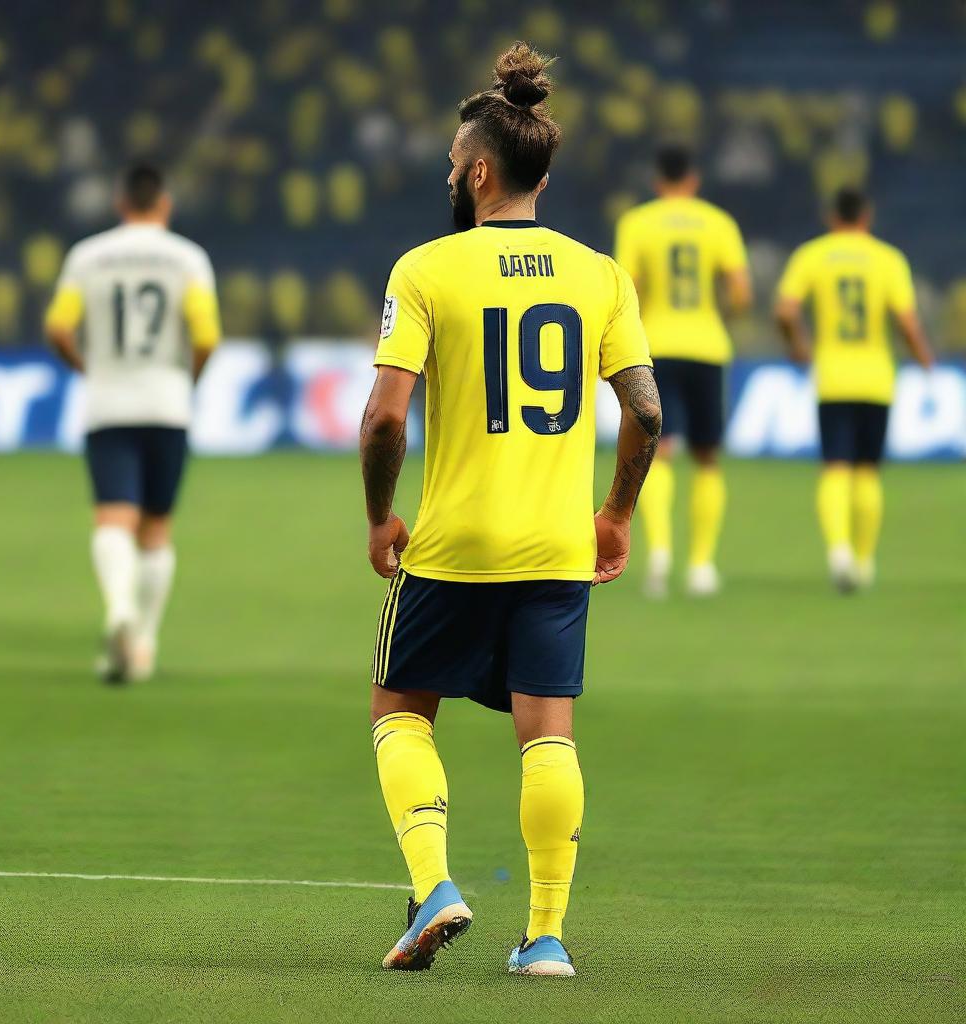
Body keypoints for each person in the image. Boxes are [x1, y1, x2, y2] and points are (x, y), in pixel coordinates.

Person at [359, 42, 661, 977]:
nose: (452, 173)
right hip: (557, 545)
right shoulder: (601, 275)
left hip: (453, 544)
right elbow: (647, 411)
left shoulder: (426, 270)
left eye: (456, 162)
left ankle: (435, 884)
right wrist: (614, 513)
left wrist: (380, 515)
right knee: (549, 733)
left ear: (482, 171)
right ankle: (545, 938)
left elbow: (382, 418)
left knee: (399, 708)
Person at [44, 163, 221, 681]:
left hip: (108, 404)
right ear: (163, 204)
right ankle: (142, 642)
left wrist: (87, 366)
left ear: (121, 204)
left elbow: (59, 326)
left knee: (112, 518)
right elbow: (206, 335)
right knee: (156, 529)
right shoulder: (188, 259)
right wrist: (188, 379)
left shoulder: (88, 256)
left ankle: (118, 607)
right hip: (167, 403)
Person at [775, 187, 934, 590]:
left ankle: (839, 550)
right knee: (867, 470)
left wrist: (797, 344)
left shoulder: (813, 255)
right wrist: (924, 359)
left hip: (833, 378)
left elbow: (786, 310)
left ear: (832, 217)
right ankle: (864, 562)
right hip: (877, 378)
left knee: (835, 467)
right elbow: (906, 321)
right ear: (867, 216)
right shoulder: (888, 259)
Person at [614, 144, 751, 597]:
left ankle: (659, 553)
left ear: (658, 181)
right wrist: (719, 315)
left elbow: (628, 290)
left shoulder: (637, 223)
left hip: (656, 347)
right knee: (708, 457)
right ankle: (701, 565)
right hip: (707, 345)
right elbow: (740, 293)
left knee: (661, 450)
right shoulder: (719, 223)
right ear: (693, 181)